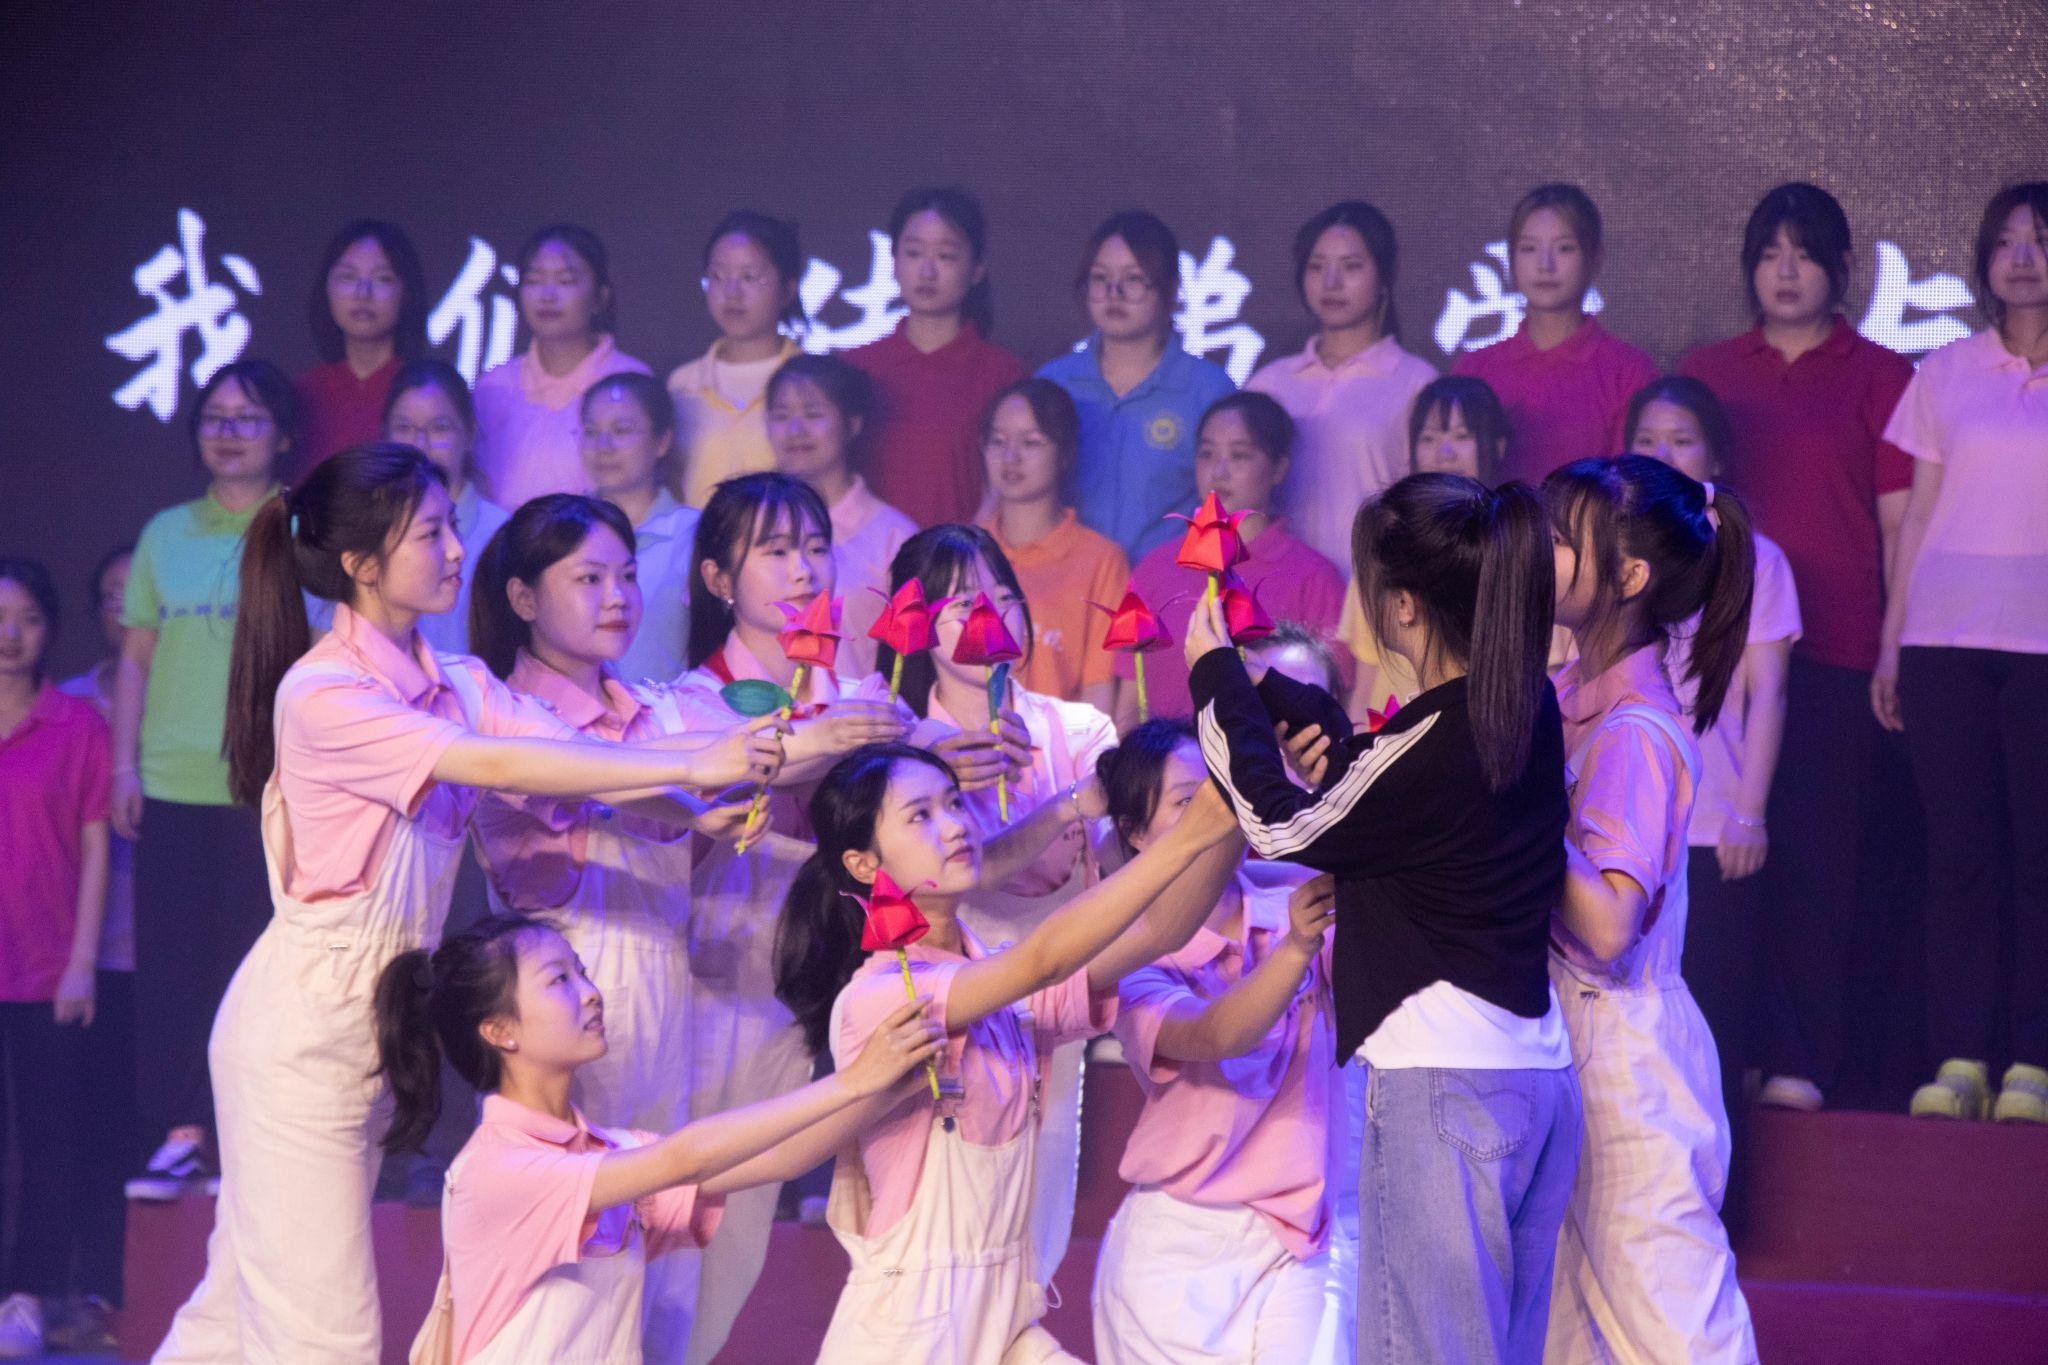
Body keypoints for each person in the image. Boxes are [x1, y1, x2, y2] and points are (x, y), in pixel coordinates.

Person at [151, 444, 786, 1365]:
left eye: (452, 526)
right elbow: (496, 760)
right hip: (302, 1036)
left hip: (378, 1026)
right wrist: (696, 760)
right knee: (324, 1337)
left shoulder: (456, 681)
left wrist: (696, 803)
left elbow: (572, 752)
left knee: (229, 1314)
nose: (457, 549)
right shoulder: (326, 693)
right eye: (431, 533)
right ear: (362, 563)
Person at [1186, 472, 1580, 1364]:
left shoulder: (1432, 746)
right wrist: (1289, 704)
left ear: (1402, 604)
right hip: (1534, 1081)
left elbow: (1280, 828)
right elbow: (1402, 801)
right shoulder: (1525, 707)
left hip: (1440, 1085)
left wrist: (1213, 676)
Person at [773, 741, 1244, 1362]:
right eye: (920, 816)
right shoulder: (881, 996)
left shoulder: (1002, 987)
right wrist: (1188, 836)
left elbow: (1160, 930)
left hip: (1004, 1320)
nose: (954, 826)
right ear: (864, 864)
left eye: (953, 804)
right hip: (908, 1331)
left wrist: (1235, 815)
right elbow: (1042, 960)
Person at [372, 912, 942, 1365]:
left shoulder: (613, 1153)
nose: (590, 992)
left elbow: (783, 1156)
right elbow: (683, 1158)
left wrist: (893, 1088)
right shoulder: (496, 1170)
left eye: (582, 971)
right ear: (500, 1031)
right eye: (559, 980)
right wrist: (851, 1080)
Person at [467, 493, 738, 1359]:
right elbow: (614, 780)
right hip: (566, 1003)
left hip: (666, 997)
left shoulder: (654, 712)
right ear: (522, 598)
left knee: (669, 1262)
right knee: (587, 1270)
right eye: (588, 578)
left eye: (626, 575)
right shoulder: (511, 717)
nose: (617, 595)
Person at [667, 472, 919, 1364]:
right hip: (703, 994)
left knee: (736, 1243)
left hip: (803, 1002)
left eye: (815, 547)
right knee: (672, 1231)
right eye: (775, 551)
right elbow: (697, 818)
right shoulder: (691, 705)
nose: (804, 569)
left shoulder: (863, 698)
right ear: (717, 578)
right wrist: (818, 747)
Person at [1678, 181, 1916, 1113]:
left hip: (1834, 652)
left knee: (1816, 861)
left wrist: (1893, 644)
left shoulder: (1882, 376)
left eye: (1805, 255)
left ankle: (1801, 1059)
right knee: (1720, 869)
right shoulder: (1709, 372)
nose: (1786, 272)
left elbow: (1899, 529)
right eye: (1770, 254)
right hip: (1711, 658)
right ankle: (1726, 1047)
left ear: (1841, 268)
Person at [1543, 454, 1757, 1364]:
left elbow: (1605, 927)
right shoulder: (1562, 697)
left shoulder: (1634, 731)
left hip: (1622, 1061)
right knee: (1563, 1338)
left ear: (1628, 576)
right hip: (1557, 1043)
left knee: (1678, 1335)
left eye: (1561, 539)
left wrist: (1522, 808)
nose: (1537, 550)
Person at [879, 523, 1121, 1284]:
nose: (988, 612)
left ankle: (1024, 1310)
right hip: (949, 986)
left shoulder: (1080, 730)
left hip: (1063, 977)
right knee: (957, 1187)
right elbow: (960, 874)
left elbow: (1115, 858)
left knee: (1047, 1175)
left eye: (1002, 595)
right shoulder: (896, 751)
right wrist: (1061, 808)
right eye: (960, 602)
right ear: (916, 624)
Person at [1087, 718, 1341, 1365]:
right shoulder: (1132, 959)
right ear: (1136, 833)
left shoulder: (1294, 898)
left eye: (1223, 789)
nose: (1218, 810)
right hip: (1179, 1249)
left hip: (1297, 1240)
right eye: (1188, 800)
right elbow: (1218, 1034)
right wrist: (1295, 950)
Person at [1877, 182, 2048, 1125]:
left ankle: (2034, 1061)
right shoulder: (1947, 370)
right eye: (2007, 241)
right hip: (1943, 638)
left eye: (2041, 240)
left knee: (2039, 855)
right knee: (1959, 854)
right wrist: (1892, 642)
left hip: (2042, 643)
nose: (2023, 257)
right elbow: (1917, 518)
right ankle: (1959, 1057)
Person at [112, 360, 292, 1202]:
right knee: (173, 969)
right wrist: (124, 763)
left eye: (248, 417)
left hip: (266, 784)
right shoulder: (165, 533)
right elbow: (135, 660)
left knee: (252, 964)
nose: (229, 430)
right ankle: (182, 1133)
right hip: (172, 782)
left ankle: (243, 1134)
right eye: (215, 416)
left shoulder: (299, 528)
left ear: (282, 435)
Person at [1627, 377, 1799, 1226]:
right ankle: (1638, 1204)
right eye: (1647, 440)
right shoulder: (1611, 552)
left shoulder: (1755, 558)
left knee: (1712, 1019)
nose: (1663, 454)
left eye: (1682, 439)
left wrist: (1750, 810)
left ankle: (1715, 1212)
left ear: (1716, 455)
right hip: (1624, 824)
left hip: (1714, 818)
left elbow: (1768, 693)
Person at [0, 558, 111, 1361]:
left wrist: (82, 961)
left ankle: (28, 1295)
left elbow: (96, 846)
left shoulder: (77, 725)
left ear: (49, 630)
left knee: (48, 1140)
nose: (10, 635)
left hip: (46, 963)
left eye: (28, 619)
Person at [1117, 391, 1347, 728]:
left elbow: (1334, 702)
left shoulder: (1312, 577)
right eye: (1207, 454)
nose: (1219, 471)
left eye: (1239, 455)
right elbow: (1129, 698)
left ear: (1279, 468)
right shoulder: (1156, 568)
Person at [1246, 200, 1439, 569]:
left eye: (1351, 267)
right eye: (1317, 267)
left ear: (1385, 275)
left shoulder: (1416, 382)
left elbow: (1427, 510)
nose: (1331, 282)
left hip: (1369, 589)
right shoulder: (1268, 384)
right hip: (1277, 593)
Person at [1039, 210, 1237, 563]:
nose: (1113, 293)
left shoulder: (1208, 390)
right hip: (1069, 585)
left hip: (1170, 586)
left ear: (1170, 289)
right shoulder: (1054, 384)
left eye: (1133, 279)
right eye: (1100, 278)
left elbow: (1231, 507)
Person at [56, 546, 142, 1345]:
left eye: (135, 591)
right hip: (86, 954)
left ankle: (144, 1296)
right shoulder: (70, 706)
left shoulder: (185, 706)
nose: (126, 605)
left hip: (168, 948)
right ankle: (86, 1294)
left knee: (161, 1132)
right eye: (112, 593)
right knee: (88, 1130)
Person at [1451, 184, 1655, 485]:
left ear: (1595, 258)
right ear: (1511, 258)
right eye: (1529, 249)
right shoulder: (1475, 369)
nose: (1545, 265)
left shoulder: (1628, 373)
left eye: (1564, 248)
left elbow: (1632, 489)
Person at [847, 188, 1027, 527]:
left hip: (967, 554)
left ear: (977, 269)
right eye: (914, 253)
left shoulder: (1003, 375)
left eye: (945, 256)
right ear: (894, 263)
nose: (927, 271)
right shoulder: (854, 369)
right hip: (867, 557)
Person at [1337, 374, 1514, 716]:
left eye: (1462, 436)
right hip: (1390, 734)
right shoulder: (1384, 545)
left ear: (1498, 446)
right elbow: (1363, 689)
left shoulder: (1514, 549)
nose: (1445, 453)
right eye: (1429, 438)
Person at [309, 358, 510, 656]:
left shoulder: (502, 533)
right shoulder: (359, 527)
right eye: (404, 428)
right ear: (385, 433)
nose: (420, 443)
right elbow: (326, 641)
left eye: (439, 428)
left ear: (469, 433)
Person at [977, 378, 1131, 712]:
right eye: (998, 441)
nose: (1010, 457)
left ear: (1065, 454)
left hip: (1057, 743)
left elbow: (1098, 689)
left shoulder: (1101, 560)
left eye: (1030, 442)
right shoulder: (966, 552)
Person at [474, 223, 652, 509]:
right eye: (534, 280)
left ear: (600, 296)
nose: (547, 295)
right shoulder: (493, 387)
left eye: (566, 281)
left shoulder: (629, 382)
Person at [766, 354, 918, 676]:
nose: (795, 429)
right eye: (781, 415)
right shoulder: (751, 525)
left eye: (813, 414)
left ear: (852, 424)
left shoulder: (894, 537)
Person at [669, 211, 806, 509]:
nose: (732, 293)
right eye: (717, 277)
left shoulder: (812, 384)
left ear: (788, 290)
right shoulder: (682, 385)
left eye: (750, 277)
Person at [579, 373, 702, 683]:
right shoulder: (560, 532)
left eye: (621, 430)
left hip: (668, 711)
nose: (603, 446)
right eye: (591, 432)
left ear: (662, 442)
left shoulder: (691, 533)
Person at [294, 219, 428, 477]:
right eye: (348, 277)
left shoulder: (426, 393)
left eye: (382, 279)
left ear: (406, 293)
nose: (363, 293)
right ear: (326, 289)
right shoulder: (303, 394)